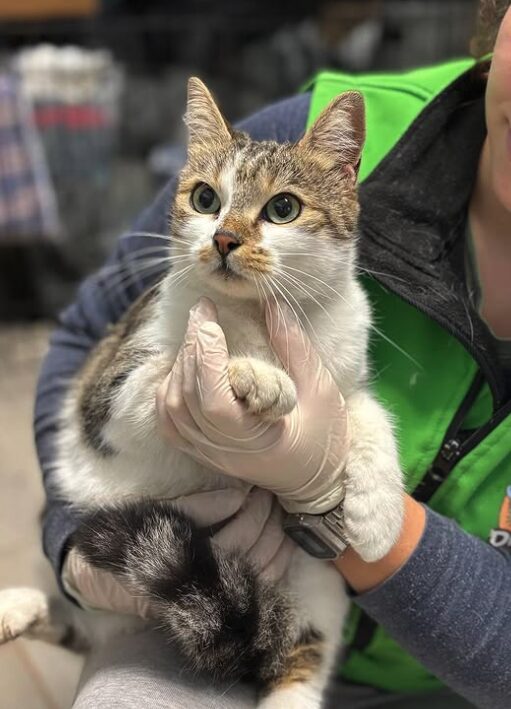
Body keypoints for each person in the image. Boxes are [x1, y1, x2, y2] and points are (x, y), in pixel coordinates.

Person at [34, 1, 511, 707]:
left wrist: (324, 494)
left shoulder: (335, 305)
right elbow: (83, 339)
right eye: (205, 202)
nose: (228, 236)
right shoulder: (312, 133)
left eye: (279, 211)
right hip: (180, 571)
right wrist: (75, 547)